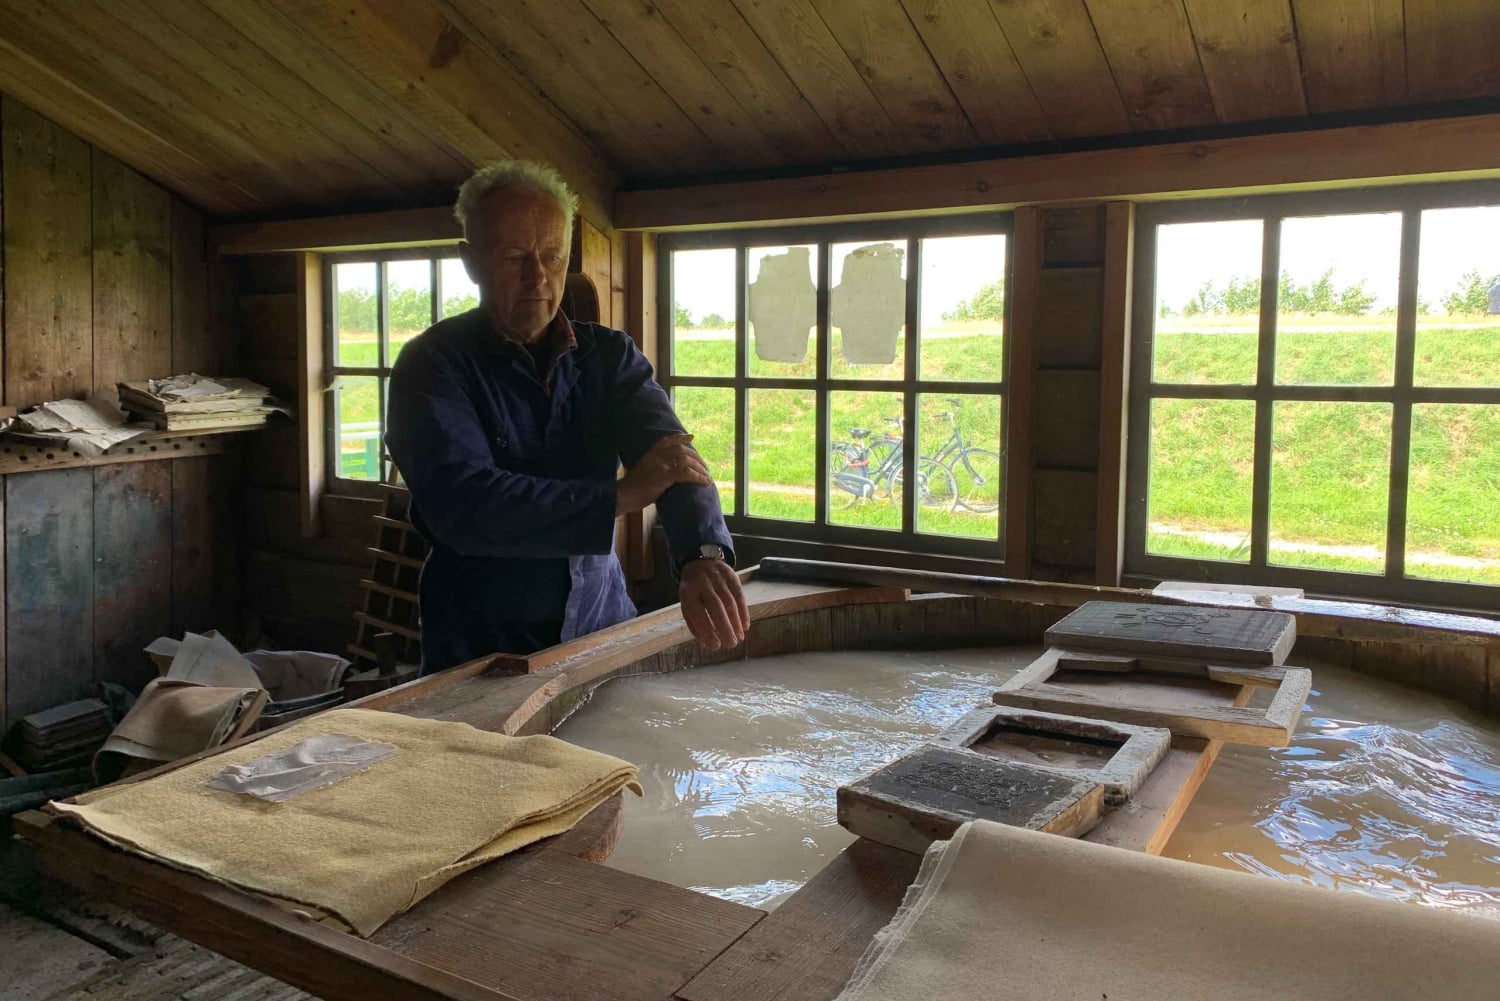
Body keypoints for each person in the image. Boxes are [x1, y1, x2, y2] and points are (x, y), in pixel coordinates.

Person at [386, 160, 748, 674]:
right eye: (514, 256)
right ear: (469, 262)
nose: (538, 276)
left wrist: (702, 552)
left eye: (552, 255)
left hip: (601, 623)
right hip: (482, 645)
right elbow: (466, 505)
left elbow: (671, 457)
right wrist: (621, 496)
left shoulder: (608, 355)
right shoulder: (432, 365)